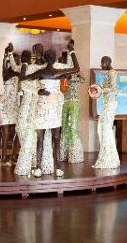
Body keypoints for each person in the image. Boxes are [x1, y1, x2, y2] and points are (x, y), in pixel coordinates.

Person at [30, 49, 76, 177]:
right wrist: (72, 51)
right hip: (53, 107)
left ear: (45, 58)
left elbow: (24, 80)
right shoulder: (58, 72)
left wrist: (37, 91)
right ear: (55, 59)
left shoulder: (40, 72)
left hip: (44, 107)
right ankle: (58, 168)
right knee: (56, 138)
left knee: (40, 139)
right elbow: (76, 68)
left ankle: (38, 168)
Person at [91, 56, 120, 169]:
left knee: (105, 129)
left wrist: (101, 90)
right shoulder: (109, 73)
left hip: (110, 104)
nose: (101, 65)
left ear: (107, 62)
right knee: (102, 128)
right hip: (107, 103)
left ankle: (108, 159)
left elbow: (114, 88)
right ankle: (107, 156)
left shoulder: (112, 73)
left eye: (102, 63)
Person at [14, 50, 39, 177]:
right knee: (24, 127)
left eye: (24, 56)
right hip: (28, 99)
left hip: (30, 100)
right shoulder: (28, 67)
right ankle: (29, 155)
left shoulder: (27, 66)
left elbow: (23, 78)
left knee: (24, 127)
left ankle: (29, 155)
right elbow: (17, 71)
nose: (22, 58)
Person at [59, 40, 84, 163]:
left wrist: (74, 77)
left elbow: (82, 79)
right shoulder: (61, 76)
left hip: (73, 102)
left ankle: (75, 155)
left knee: (72, 127)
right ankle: (63, 153)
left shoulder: (74, 75)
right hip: (64, 103)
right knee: (64, 128)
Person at [0, 43, 19, 165]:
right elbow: (4, 67)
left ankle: (14, 156)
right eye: (15, 60)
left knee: (18, 130)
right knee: (6, 132)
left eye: (18, 60)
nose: (18, 62)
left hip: (15, 105)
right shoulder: (6, 74)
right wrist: (6, 54)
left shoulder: (20, 74)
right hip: (3, 104)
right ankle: (3, 158)